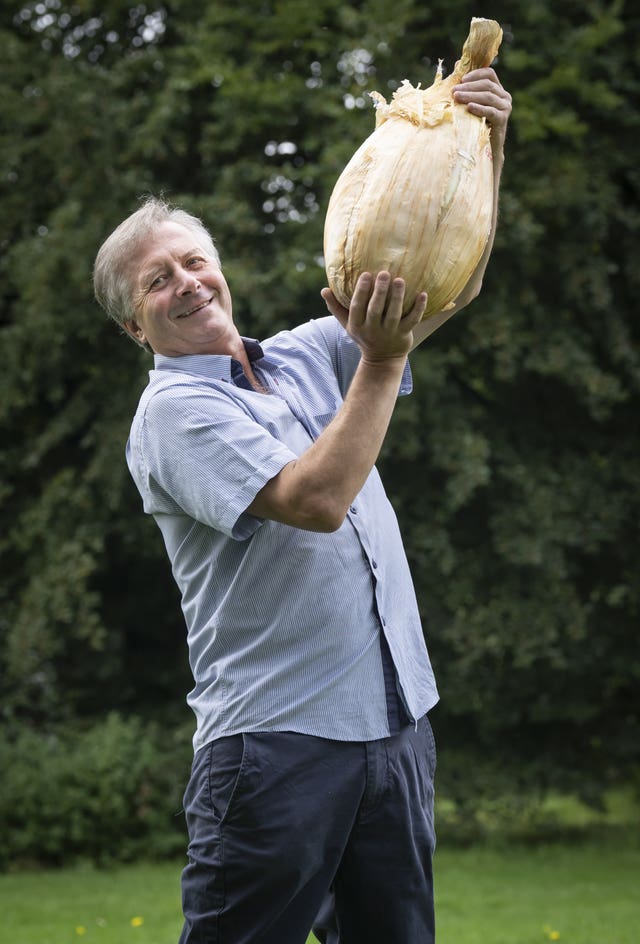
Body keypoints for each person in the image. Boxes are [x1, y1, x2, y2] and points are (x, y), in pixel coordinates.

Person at [94, 68, 511, 944]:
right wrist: (384, 364)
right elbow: (316, 500)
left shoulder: (308, 353)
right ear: (137, 326)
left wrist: (484, 142)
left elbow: (452, 281)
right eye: (156, 281)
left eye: (193, 260)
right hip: (275, 749)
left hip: (395, 729)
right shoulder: (173, 412)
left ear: (221, 267)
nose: (187, 283)